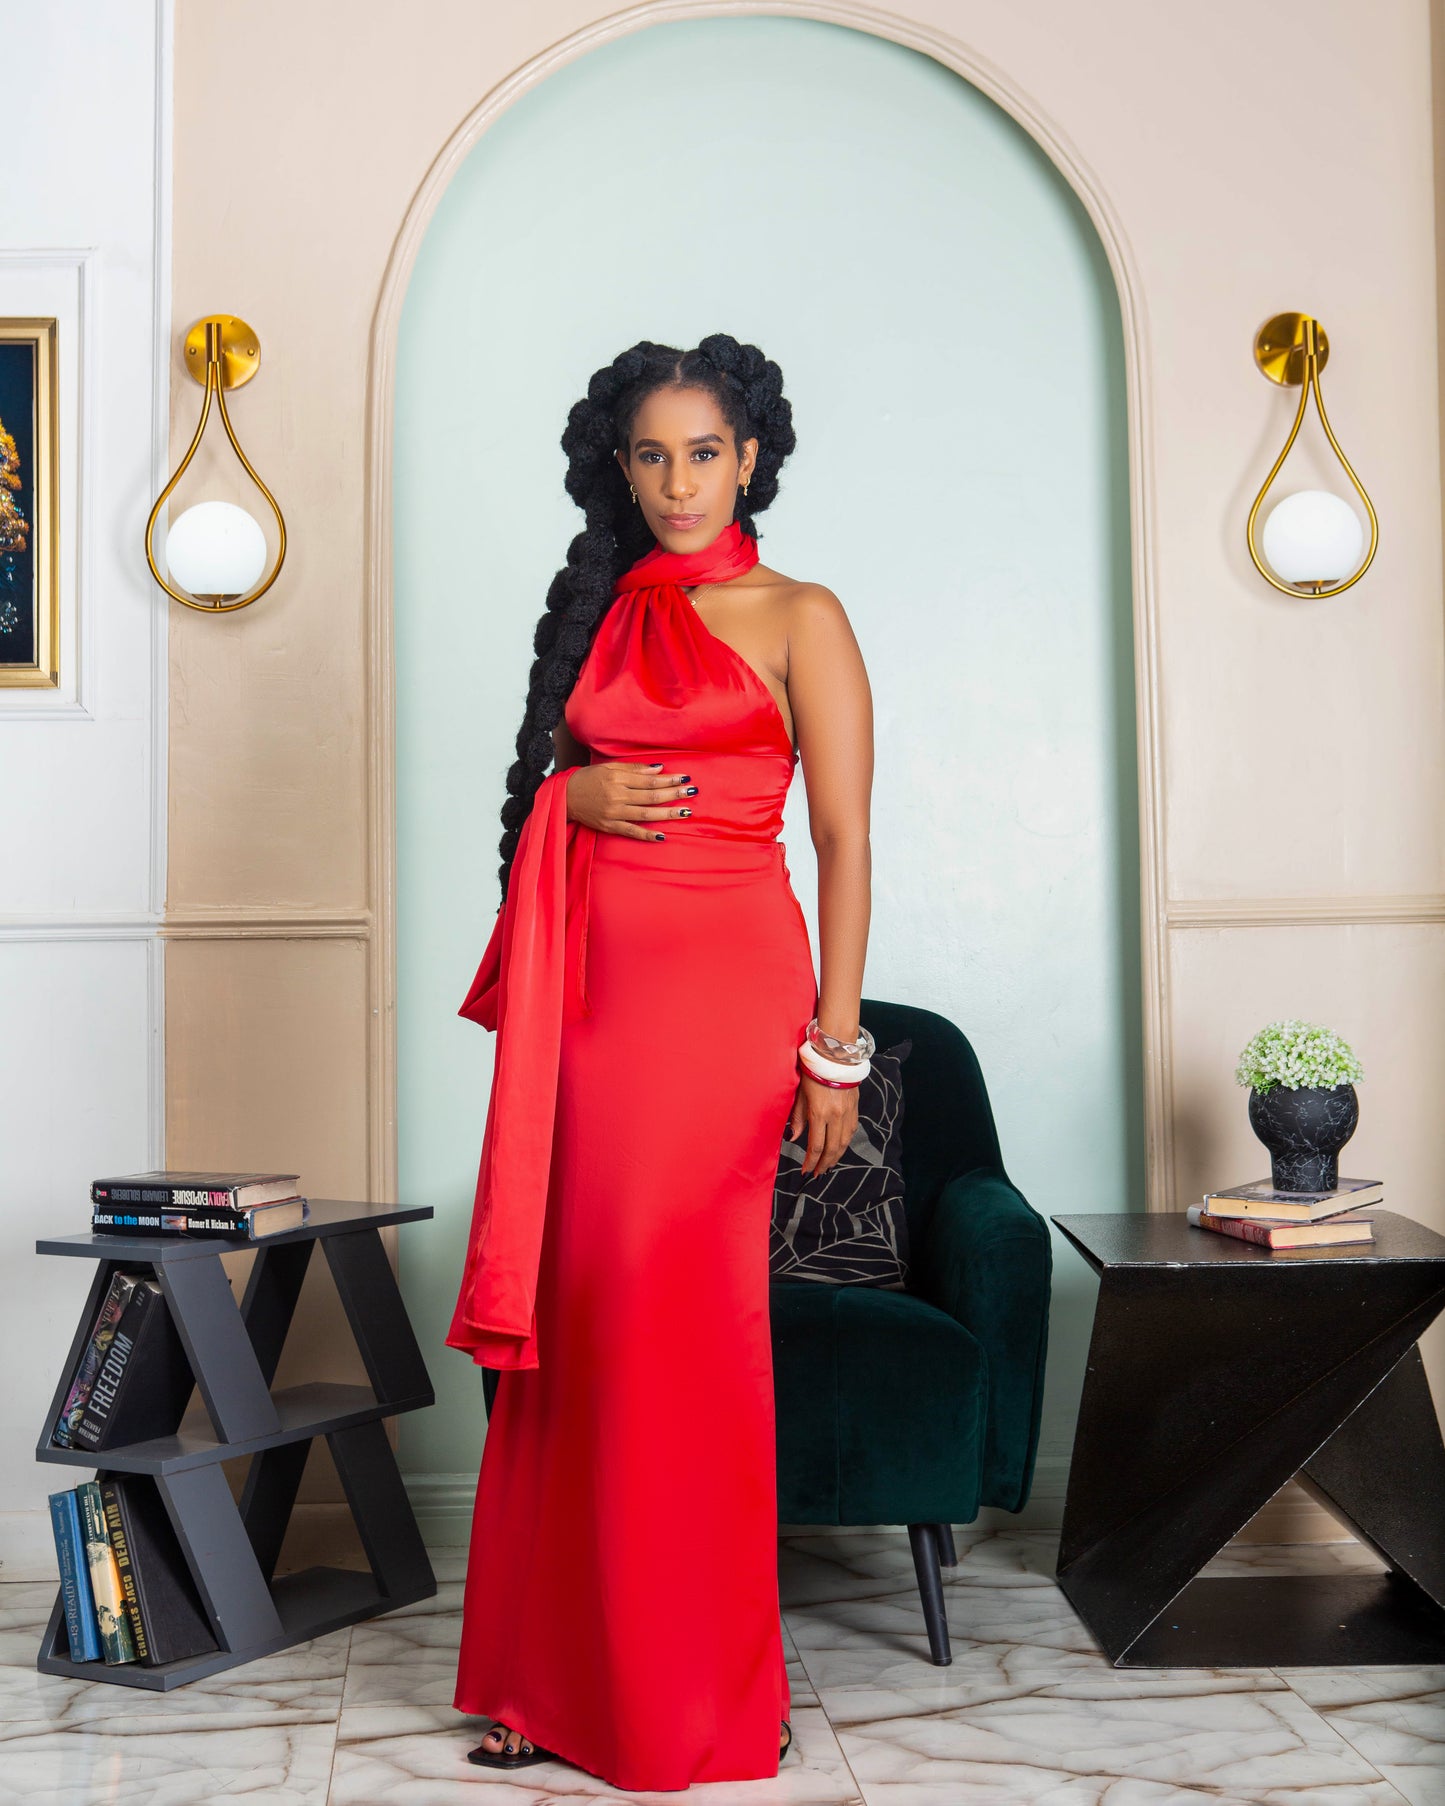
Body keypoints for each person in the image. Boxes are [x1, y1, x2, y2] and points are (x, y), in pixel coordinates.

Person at [447, 334, 874, 1791]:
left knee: (680, 1335)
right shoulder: (593, 614)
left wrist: (836, 1047)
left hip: (723, 1009)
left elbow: (843, 842)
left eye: (705, 452)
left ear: (750, 456)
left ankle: (697, 1687)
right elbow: (538, 801)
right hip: (592, 1013)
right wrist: (574, 792)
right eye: (652, 455)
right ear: (616, 468)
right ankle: (541, 1675)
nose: (680, 481)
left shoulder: (798, 614)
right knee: (578, 1325)